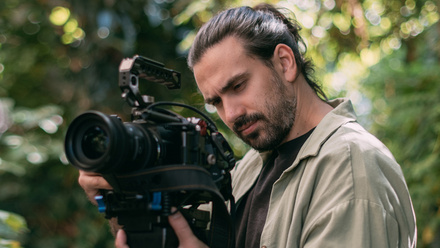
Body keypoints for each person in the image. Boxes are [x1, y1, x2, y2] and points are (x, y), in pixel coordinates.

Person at [78, 3, 417, 248]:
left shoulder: (350, 165)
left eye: (238, 86)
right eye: (216, 102)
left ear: (284, 63)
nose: (231, 114)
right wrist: (122, 193)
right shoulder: (251, 168)